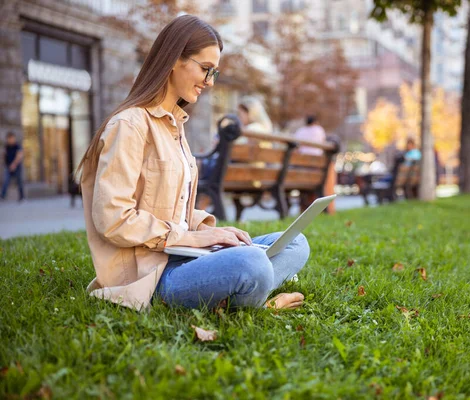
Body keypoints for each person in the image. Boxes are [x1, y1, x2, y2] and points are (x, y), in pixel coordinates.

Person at [76, 16, 306, 312]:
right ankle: (257, 300)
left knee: (294, 242)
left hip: (181, 254)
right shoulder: (129, 125)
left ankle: (242, 287)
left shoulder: (174, 124)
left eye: (214, 73)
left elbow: (168, 205)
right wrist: (193, 238)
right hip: (152, 275)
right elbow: (114, 219)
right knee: (252, 262)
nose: (210, 82)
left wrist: (216, 234)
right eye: (205, 69)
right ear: (174, 59)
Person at [1, 132, 25, 201]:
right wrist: (7, 164)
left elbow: (19, 156)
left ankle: (22, 197)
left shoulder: (17, 146)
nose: (10, 140)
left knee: (19, 181)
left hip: (17, 167)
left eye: (12, 138)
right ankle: (2, 196)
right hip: (8, 167)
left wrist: (14, 164)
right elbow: (4, 156)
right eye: (9, 139)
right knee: (6, 181)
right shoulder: (6, 147)